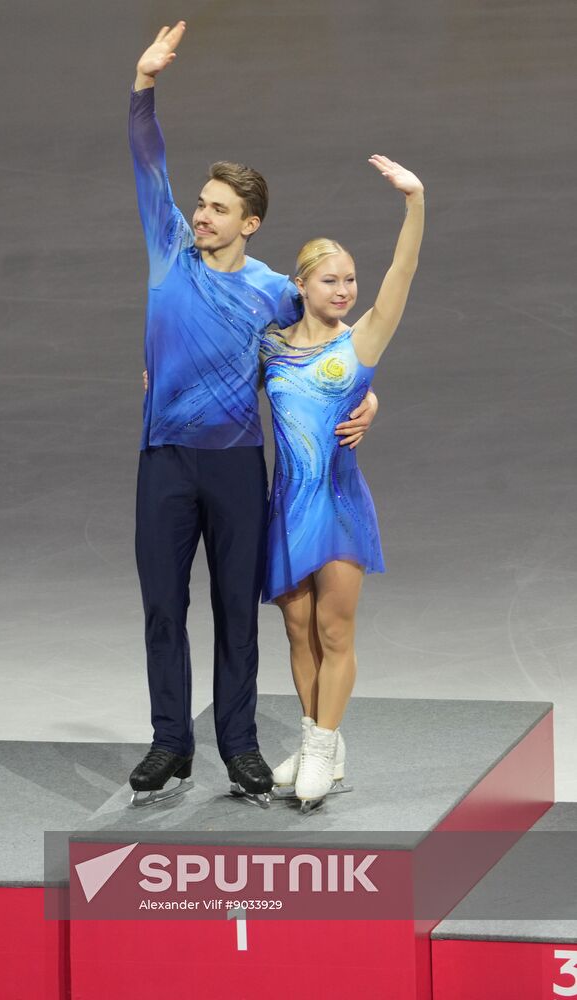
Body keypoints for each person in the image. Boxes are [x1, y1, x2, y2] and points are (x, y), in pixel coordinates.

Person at [127, 21, 379, 806]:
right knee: (165, 607)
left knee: (238, 611)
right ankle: (171, 741)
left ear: (250, 223)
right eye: (200, 204)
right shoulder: (167, 245)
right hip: (164, 458)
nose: (199, 215)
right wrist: (144, 84)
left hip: (238, 465)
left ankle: (239, 747)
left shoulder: (274, 289)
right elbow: (146, 158)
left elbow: (335, 341)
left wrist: (366, 395)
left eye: (217, 209)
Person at [262, 156, 425, 812]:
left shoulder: (359, 345)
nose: (345, 290)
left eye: (349, 280)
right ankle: (313, 739)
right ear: (300, 284)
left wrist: (414, 202)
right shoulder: (269, 346)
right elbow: (217, 381)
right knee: (296, 631)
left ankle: (325, 745)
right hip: (285, 506)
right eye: (330, 280)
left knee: (334, 631)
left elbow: (401, 276)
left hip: (337, 503)